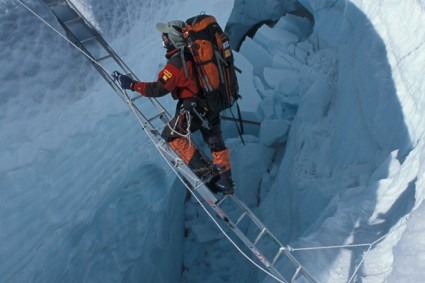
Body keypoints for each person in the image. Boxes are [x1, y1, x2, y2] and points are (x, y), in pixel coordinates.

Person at [113, 20, 234, 194]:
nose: (163, 39)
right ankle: (225, 180)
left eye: (165, 36)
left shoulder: (177, 63)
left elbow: (158, 88)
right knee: (215, 140)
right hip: (211, 102)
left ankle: (202, 169)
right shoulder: (197, 53)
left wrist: (132, 85)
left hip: (194, 109)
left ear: (172, 39)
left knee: (170, 135)